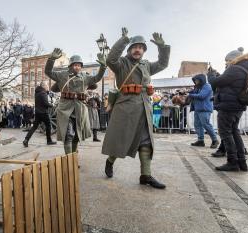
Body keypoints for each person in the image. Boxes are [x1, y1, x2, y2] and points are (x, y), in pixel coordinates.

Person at [102, 27, 170, 189]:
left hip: (144, 108)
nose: (137, 49)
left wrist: (162, 47)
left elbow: (162, 63)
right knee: (121, 140)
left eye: (140, 47)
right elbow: (110, 60)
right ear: (129, 49)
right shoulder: (121, 63)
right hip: (125, 107)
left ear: (144, 51)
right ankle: (110, 161)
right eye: (134, 47)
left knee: (145, 141)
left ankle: (145, 175)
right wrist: (123, 40)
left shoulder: (146, 65)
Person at [46, 49, 106, 154]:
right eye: (75, 65)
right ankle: (68, 161)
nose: (77, 67)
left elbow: (97, 78)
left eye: (79, 65)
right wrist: (51, 59)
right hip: (65, 109)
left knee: (77, 136)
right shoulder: (62, 75)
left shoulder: (85, 77)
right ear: (70, 66)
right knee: (68, 135)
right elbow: (48, 72)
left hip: (80, 109)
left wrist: (103, 67)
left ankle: (73, 159)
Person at [208, 47, 248, 172]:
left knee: (225, 133)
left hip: (228, 106)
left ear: (234, 59)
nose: (226, 63)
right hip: (237, 105)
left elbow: (215, 83)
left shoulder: (235, 69)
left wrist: (211, 75)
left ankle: (232, 162)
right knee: (234, 132)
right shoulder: (245, 69)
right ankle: (242, 162)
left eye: (227, 60)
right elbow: (228, 84)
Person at [188, 74, 219, 148]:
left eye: (196, 80)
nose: (195, 82)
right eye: (195, 80)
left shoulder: (207, 86)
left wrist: (190, 95)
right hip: (198, 108)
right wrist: (190, 92)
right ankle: (200, 140)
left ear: (201, 79)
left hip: (204, 109)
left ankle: (215, 140)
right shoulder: (198, 87)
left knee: (206, 124)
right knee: (197, 125)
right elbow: (195, 94)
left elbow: (202, 96)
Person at [23, 82, 57, 147]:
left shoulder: (37, 93)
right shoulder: (43, 93)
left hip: (38, 112)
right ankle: (49, 141)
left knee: (34, 127)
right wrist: (52, 105)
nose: (48, 87)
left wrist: (47, 93)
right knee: (48, 126)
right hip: (44, 112)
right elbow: (45, 103)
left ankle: (26, 140)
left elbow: (41, 101)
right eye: (47, 85)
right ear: (44, 86)